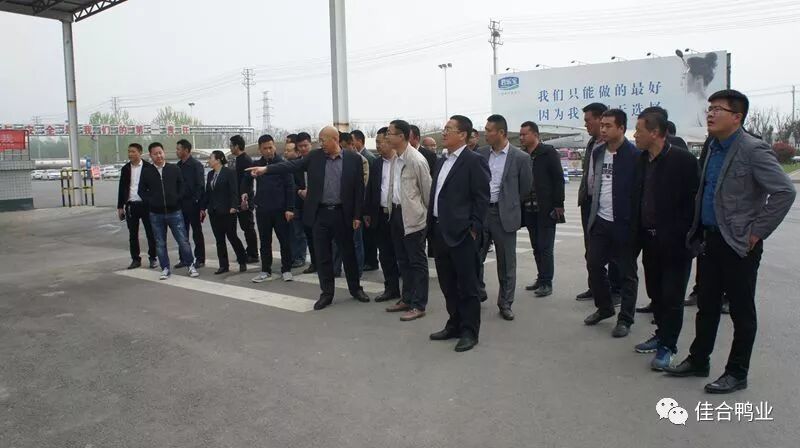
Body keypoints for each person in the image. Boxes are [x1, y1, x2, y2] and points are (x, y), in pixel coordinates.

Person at [666, 90, 796, 393]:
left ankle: (737, 372)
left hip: (739, 244)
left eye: (718, 109)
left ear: (737, 117)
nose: (710, 114)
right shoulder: (713, 146)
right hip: (710, 239)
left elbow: (784, 192)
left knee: (741, 310)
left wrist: (756, 232)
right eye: (710, 108)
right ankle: (699, 360)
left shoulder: (753, 149)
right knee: (707, 305)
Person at [246, 126, 371, 310]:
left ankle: (355, 289)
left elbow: (359, 190)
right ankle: (326, 294)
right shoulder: (315, 157)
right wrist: (266, 169)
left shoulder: (354, 159)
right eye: (319, 141)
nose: (321, 144)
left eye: (323, 140)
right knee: (323, 256)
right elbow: (291, 165)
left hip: (342, 214)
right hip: (321, 214)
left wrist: (357, 215)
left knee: (348, 254)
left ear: (335, 139)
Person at [630, 111, 700, 371]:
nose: (635, 135)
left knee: (672, 296)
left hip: (676, 243)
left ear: (655, 132)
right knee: (656, 293)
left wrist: (688, 235)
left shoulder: (683, 161)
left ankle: (668, 346)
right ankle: (661, 334)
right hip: (649, 241)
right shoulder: (641, 160)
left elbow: (695, 201)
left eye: (639, 130)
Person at [428, 115, 490, 352]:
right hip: (439, 231)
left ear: (463, 135)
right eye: (444, 128)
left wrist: (474, 228)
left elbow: (482, 198)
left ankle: (469, 331)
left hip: (462, 234)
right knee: (447, 284)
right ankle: (454, 323)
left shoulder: (474, 161)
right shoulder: (442, 161)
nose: (444, 133)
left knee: (467, 286)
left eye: (449, 129)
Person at [583, 109, 641, 338]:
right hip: (601, 220)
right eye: (602, 125)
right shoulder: (598, 152)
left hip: (624, 224)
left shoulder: (635, 156)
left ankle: (625, 318)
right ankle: (605, 307)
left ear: (622, 128)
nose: (603, 130)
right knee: (594, 264)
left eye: (608, 126)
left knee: (627, 273)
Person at [476, 115, 532, 320]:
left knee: (507, 262)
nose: (485, 133)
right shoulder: (481, 154)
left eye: (489, 130)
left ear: (501, 132)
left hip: (504, 215)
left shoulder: (520, 158)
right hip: (482, 213)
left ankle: (506, 302)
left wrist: (509, 204)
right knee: (475, 257)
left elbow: (525, 188)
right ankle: (478, 292)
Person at [381, 120, 433, 321]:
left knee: (417, 263)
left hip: (413, 218)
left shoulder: (416, 160)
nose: (387, 136)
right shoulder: (396, 158)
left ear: (401, 136)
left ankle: (419, 304)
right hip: (396, 214)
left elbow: (427, 192)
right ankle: (407, 298)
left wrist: (424, 217)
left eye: (389, 133)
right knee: (402, 260)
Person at [576, 102, 622, 303]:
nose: (586, 125)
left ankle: (615, 289)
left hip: (608, 205)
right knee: (591, 249)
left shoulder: (616, 147)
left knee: (613, 251)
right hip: (589, 202)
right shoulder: (592, 144)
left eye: (588, 121)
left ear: (599, 119)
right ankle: (595, 287)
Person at [137, 142, 198, 280]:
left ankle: (190, 265)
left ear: (163, 153)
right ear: (151, 156)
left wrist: (177, 198)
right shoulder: (147, 172)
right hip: (156, 213)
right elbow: (141, 191)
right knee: (160, 243)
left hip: (174, 211)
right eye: (155, 154)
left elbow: (182, 186)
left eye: (160, 153)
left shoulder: (174, 169)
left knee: (183, 240)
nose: (158, 156)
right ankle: (165, 268)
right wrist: (151, 201)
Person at [519, 121, 564, 298]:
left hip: (546, 208)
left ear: (535, 135)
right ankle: (541, 277)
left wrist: (558, 204)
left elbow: (558, 179)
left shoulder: (548, 152)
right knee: (536, 246)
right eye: (521, 134)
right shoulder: (523, 155)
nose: (521, 137)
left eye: (524, 134)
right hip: (528, 208)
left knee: (545, 247)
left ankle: (547, 282)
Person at [250, 134, 295, 283]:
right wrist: (249, 180)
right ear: (260, 149)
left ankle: (286, 269)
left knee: (285, 241)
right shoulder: (256, 165)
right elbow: (246, 181)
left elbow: (290, 187)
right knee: (264, 242)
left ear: (274, 146)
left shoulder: (282, 164)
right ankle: (265, 270)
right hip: (263, 210)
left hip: (281, 210)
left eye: (270, 147)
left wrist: (290, 208)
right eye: (265, 148)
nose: (268, 151)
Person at [364, 126, 401, 303]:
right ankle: (391, 289)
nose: (378, 146)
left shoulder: (402, 162)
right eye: (377, 143)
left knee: (403, 255)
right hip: (381, 215)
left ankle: (410, 294)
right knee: (385, 255)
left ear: (390, 140)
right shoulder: (377, 164)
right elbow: (371, 189)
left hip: (399, 214)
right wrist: (367, 212)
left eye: (380, 142)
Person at [203, 150, 248, 274]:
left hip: (228, 211)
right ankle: (223, 265)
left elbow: (234, 191)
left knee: (232, 236)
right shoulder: (210, 174)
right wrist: (203, 207)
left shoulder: (229, 173)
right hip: (214, 211)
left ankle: (242, 260)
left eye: (211, 158)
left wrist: (234, 206)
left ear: (218, 160)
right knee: (219, 239)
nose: (209, 160)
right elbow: (208, 193)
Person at [332, 131, 368, 278]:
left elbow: (361, 187)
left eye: (344, 146)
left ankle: (356, 272)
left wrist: (358, 213)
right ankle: (335, 269)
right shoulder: (332, 159)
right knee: (336, 241)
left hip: (353, 208)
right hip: (337, 208)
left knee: (356, 242)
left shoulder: (359, 160)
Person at [117, 143, 157, 270]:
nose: (130, 154)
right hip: (131, 205)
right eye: (129, 151)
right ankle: (135, 259)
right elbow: (122, 188)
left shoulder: (149, 167)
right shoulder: (125, 169)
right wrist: (120, 206)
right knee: (133, 234)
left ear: (140, 152)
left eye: (133, 151)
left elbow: (153, 188)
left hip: (146, 205)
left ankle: (153, 257)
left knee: (151, 233)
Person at [175, 139, 206, 269]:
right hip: (180, 204)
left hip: (193, 204)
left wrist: (199, 204)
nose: (177, 151)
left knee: (196, 232)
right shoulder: (178, 165)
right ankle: (184, 258)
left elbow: (200, 186)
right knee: (182, 233)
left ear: (186, 150)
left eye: (178, 149)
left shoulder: (196, 165)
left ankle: (200, 259)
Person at [229, 135, 260, 263]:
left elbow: (246, 182)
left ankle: (253, 254)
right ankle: (250, 250)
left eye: (231, 145)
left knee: (248, 227)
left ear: (237, 146)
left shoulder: (245, 160)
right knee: (245, 227)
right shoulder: (237, 159)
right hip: (239, 198)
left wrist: (243, 199)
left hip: (245, 199)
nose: (230, 148)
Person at [352, 129, 379, 272]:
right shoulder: (358, 156)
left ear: (359, 141)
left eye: (352, 141)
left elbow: (370, 183)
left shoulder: (368, 157)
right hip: (362, 203)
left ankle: (371, 261)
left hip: (367, 202)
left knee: (369, 236)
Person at [284, 140, 308, 269]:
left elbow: (299, 184)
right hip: (290, 204)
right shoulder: (286, 166)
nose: (285, 153)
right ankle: (293, 256)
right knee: (292, 233)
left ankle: (300, 257)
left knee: (299, 233)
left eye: (289, 150)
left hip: (300, 204)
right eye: (285, 150)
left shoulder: (299, 166)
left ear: (297, 152)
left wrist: (299, 191)